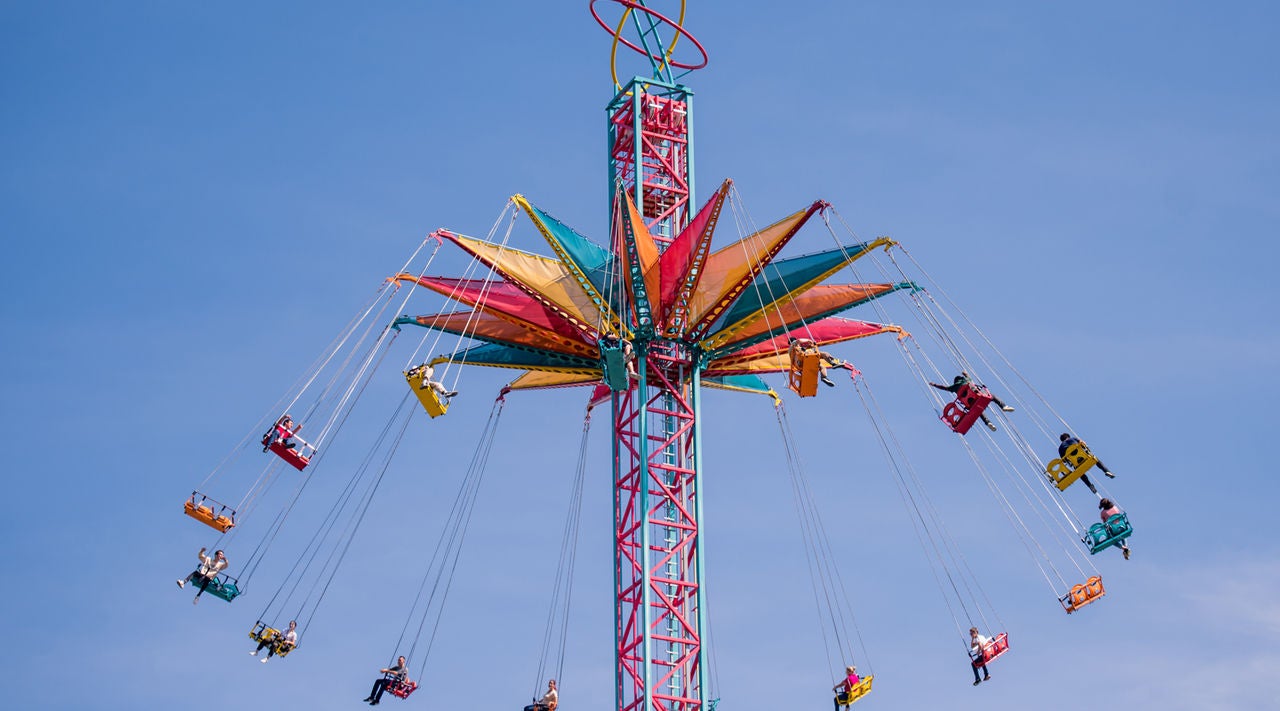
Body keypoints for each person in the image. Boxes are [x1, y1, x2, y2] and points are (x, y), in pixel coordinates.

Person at [930, 372, 1013, 432]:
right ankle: (1003, 406)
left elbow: (944, 388)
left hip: (969, 403)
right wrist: (965, 374)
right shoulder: (965, 380)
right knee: (992, 396)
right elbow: (969, 377)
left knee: (978, 409)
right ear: (961, 379)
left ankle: (988, 422)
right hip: (977, 395)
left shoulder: (954, 387)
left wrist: (935, 385)